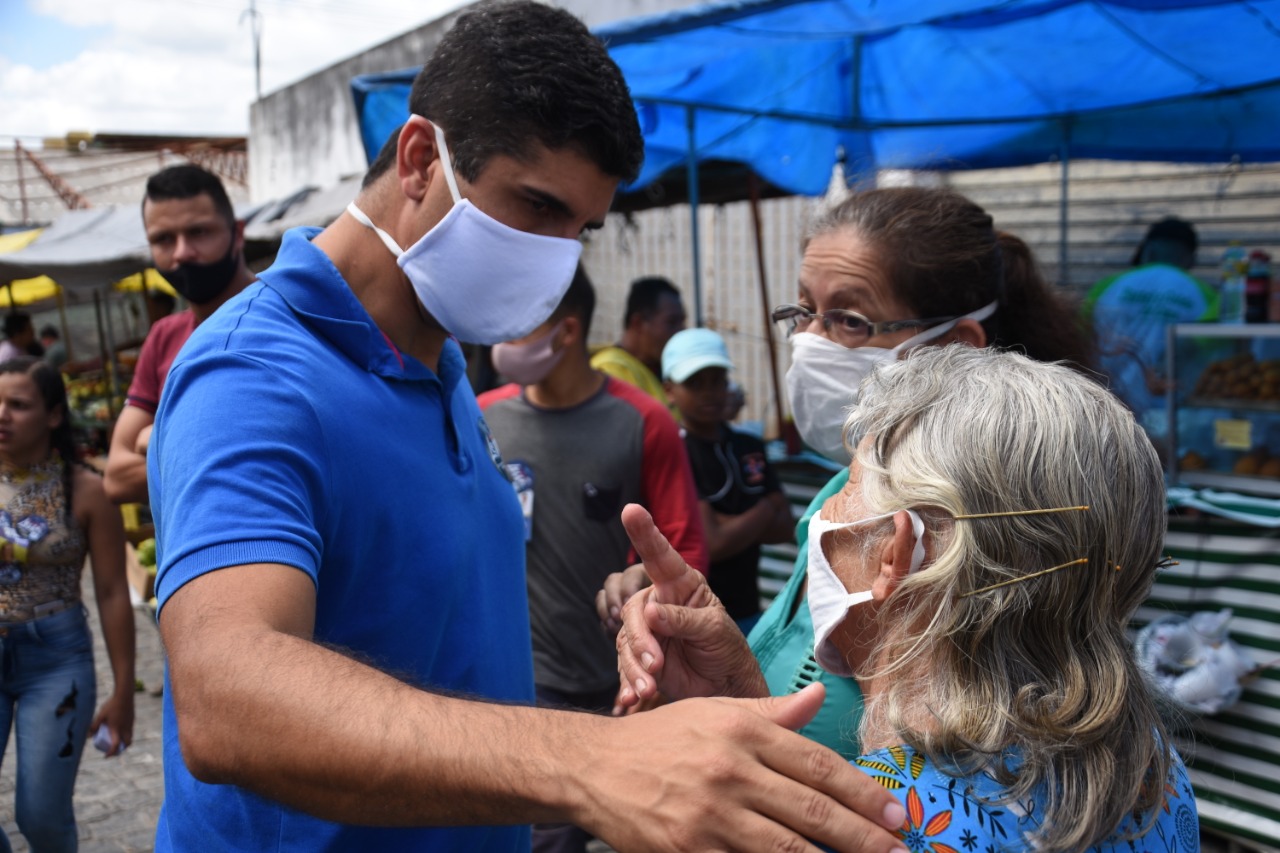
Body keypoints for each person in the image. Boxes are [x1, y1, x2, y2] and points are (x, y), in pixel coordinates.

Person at [146, 4, 906, 852]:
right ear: (420, 159)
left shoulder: (437, 363)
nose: (553, 256)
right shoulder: (253, 375)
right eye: (536, 205)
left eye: (579, 229)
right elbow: (225, 698)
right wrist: (591, 760)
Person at [612, 345, 1198, 853]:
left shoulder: (879, 821)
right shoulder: (1149, 766)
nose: (825, 511)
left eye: (847, 485)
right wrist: (739, 700)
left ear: (899, 553)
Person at [601, 186, 1096, 758]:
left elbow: (935, 785)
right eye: (803, 311)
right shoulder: (843, 491)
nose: (809, 343)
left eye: (849, 320)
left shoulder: (992, 543)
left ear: (956, 347)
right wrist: (708, 667)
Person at [477, 265, 707, 852]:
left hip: (626, 683)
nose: (503, 338)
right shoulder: (482, 418)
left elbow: (686, 551)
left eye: (521, 324)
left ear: (568, 330)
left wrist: (643, 579)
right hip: (523, 684)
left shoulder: (642, 421)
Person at [0, 356, 135, 852]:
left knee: (41, 817)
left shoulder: (88, 491)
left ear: (54, 415)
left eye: (18, 405)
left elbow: (113, 592)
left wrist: (124, 692)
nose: (1, 415)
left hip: (56, 663)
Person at [102, 164, 255, 507]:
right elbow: (116, 478)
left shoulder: (288, 319)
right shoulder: (164, 337)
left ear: (237, 234)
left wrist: (155, 437)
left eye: (199, 232)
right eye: (163, 239)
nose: (182, 252)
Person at [661, 327, 792, 629]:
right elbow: (712, 543)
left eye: (717, 380)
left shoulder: (749, 446)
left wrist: (728, 524)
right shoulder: (674, 452)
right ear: (669, 390)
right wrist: (764, 509)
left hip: (749, 611)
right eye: (695, 383)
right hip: (696, 615)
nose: (709, 392)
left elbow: (785, 527)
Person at [1083, 216, 1217, 444]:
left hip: (1108, 415)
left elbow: (1080, 344)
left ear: (1148, 250)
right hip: (1173, 421)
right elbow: (1213, 354)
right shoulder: (1205, 295)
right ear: (1190, 257)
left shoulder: (1105, 288)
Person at [590, 275, 686, 412]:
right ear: (638, 323)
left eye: (682, 322)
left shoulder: (667, 369)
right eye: (672, 322)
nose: (681, 331)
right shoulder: (611, 369)